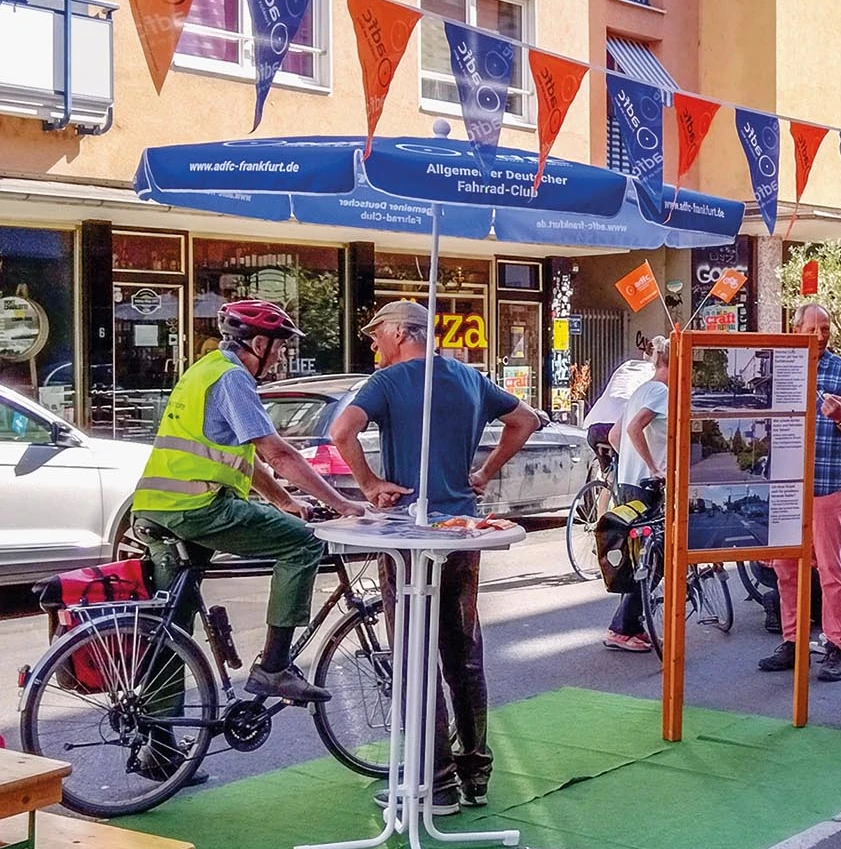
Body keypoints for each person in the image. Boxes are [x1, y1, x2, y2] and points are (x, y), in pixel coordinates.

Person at [132, 300, 367, 779]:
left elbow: (249, 463)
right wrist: (341, 504)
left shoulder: (205, 369)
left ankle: (159, 751)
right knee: (302, 544)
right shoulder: (233, 378)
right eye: (279, 349)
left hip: (157, 509)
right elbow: (277, 452)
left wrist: (284, 502)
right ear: (258, 344)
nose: (279, 359)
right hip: (200, 506)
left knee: (172, 630)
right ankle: (274, 666)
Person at [329, 300, 542, 814]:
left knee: (412, 655)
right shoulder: (470, 379)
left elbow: (341, 433)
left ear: (403, 333)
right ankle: (476, 772)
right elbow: (526, 420)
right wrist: (485, 472)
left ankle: (436, 780)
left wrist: (370, 483)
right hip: (461, 531)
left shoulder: (387, 383)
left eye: (377, 334)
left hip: (409, 534)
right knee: (464, 651)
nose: (373, 346)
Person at [757, 304, 841, 683]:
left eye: (825, 328)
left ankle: (837, 644)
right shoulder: (780, 365)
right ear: (796, 328)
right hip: (785, 485)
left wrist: (840, 417)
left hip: (825, 484)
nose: (820, 335)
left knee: (830, 569)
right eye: (813, 328)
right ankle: (793, 641)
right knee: (787, 568)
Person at [602, 335, 670, 652]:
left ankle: (629, 625)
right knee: (655, 557)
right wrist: (654, 466)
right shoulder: (662, 392)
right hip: (648, 483)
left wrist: (629, 461)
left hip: (629, 482)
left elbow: (616, 434)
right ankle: (623, 628)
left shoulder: (641, 389)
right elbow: (631, 430)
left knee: (641, 556)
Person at [582, 334, 657, 474]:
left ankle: (608, 486)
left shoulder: (627, 366)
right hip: (619, 427)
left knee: (611, 476)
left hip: (594, 428)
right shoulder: (653, 373)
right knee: (642, 469)